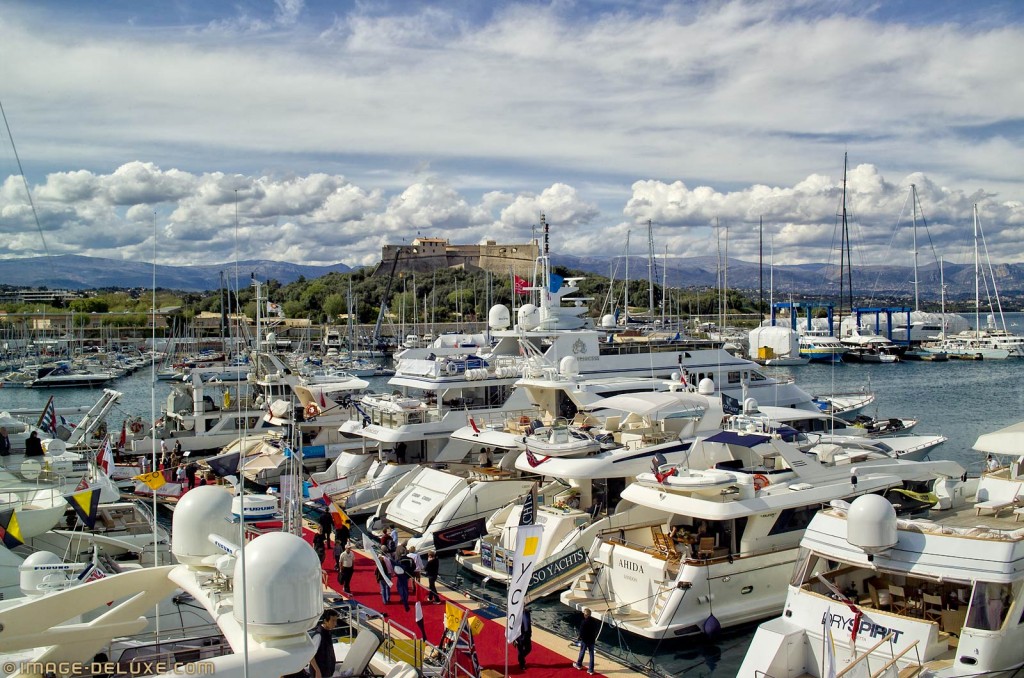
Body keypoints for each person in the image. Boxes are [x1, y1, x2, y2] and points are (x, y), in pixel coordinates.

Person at [308, 609, 340, 678]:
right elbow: (310, 655)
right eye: (333, 621)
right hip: (319, 674)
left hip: (326, 672)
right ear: (326, 621)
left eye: (336, 620)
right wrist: (317, 671)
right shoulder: (318, 635)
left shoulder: (327, 632)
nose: (335, 623)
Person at [574, 608, 599, 674]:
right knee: (591, 655)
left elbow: (581, 632)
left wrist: (579, 637)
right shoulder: (594, 621)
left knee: (582, 652)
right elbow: (596, 629)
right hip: (592, 640)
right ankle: (591, 669)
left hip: (585, 640)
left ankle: (579, 665)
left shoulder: (584, 622)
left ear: (585, 615)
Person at [515, 606, 533, 670]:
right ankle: (522, 664)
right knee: (520, 650)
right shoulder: (516, 615)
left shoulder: (527, 613)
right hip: (519, 636)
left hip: (527, 635)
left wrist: (530, 633)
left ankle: (520, 658)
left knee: (528, 649)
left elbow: (528, 624)